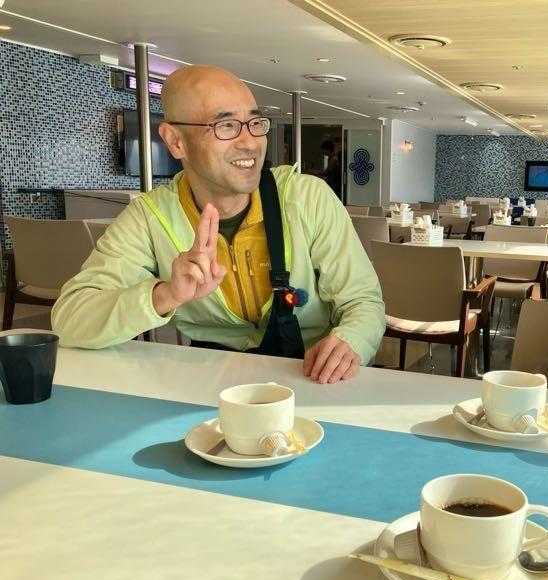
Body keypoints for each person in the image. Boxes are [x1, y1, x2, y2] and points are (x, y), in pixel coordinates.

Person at [52, 65, 385, 384]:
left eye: (255, 123)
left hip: (310, 376)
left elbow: (363, 303)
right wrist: (165, 294)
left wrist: (351, 340)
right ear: (175, 141)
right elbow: (70, 320)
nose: (250, 142)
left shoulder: (306, 198)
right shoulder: (150, 217)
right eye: (226, 126)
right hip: (210, 382)